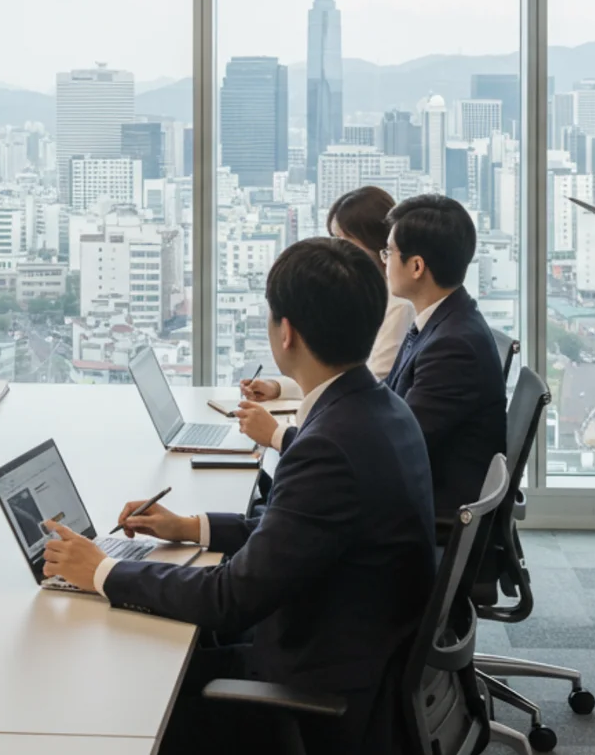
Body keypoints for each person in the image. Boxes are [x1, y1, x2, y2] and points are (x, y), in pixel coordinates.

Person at [40, 238, 436, 755]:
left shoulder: (329, 444)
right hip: (350, 651)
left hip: (312, 692)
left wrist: (102, 571)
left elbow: (228, 599)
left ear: (286, 332)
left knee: (125, 681)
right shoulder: (379, 408)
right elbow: (297, 532)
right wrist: (191, 528)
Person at [237, 194, 507, 520]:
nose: (382, 260)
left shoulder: (453, 347)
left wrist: (279, 436)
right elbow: (381, 403)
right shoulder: (441, 322)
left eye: (388, 252)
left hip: (425, 511)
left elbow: (392, 447)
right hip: (413, 491)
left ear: (417, 266)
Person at [237, 184, 414, 399]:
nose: (335, 247)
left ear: (375, 240)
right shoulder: (344, 294)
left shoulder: (398, 305)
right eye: (332, 237)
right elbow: (329, 370)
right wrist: (278, 387)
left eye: (343, 239)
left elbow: (366, 381)